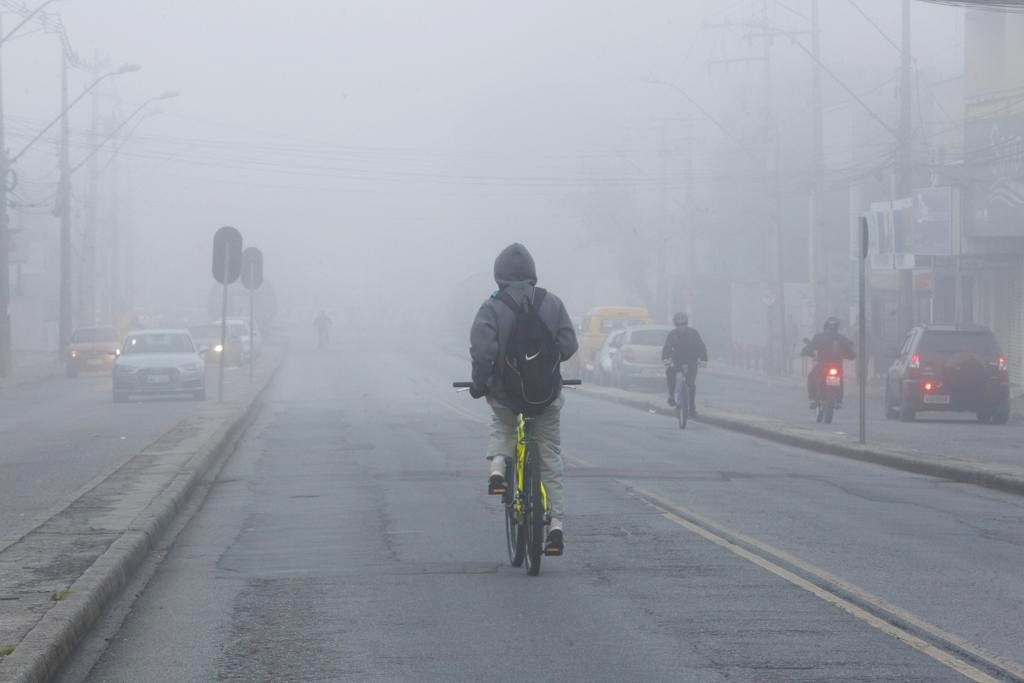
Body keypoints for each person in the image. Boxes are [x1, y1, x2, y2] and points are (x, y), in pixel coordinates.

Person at [468, 243, 577, 554]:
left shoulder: (491, 306)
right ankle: (555, 524)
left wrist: (480, 383)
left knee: (503, 426)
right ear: (531, 273)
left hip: (506, 393)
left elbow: (483, 351)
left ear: (498, 274)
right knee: (550, 456)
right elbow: (568, 344)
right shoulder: (551, 302)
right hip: (545, 395)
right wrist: (545, 366)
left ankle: (499, 469)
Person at [801, 316, 856, 408]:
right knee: (839, 379)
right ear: (837, 327)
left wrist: (805, 352)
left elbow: (810, 348)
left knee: (811, 377)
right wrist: (849, 355)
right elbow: (851, 354)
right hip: (837, 366)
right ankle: (839, 400)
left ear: (825, 326)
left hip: (822, 365)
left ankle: (812, 399)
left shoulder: (819, 337)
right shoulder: (842, 338)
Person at [662, 312, 708, 416]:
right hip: (677, 361)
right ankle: (672, 397)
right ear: (676, 325)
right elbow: (667, 348)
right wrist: (666, 360)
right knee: (670, 372)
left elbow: (701, 347)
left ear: (686, 324)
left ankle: (692, 409)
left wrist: (703, 359)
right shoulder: (672, 335)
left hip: (692, 361)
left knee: (690, 384)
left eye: (683, 324)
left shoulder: (694, 334)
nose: (681, 327)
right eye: (679, 325)